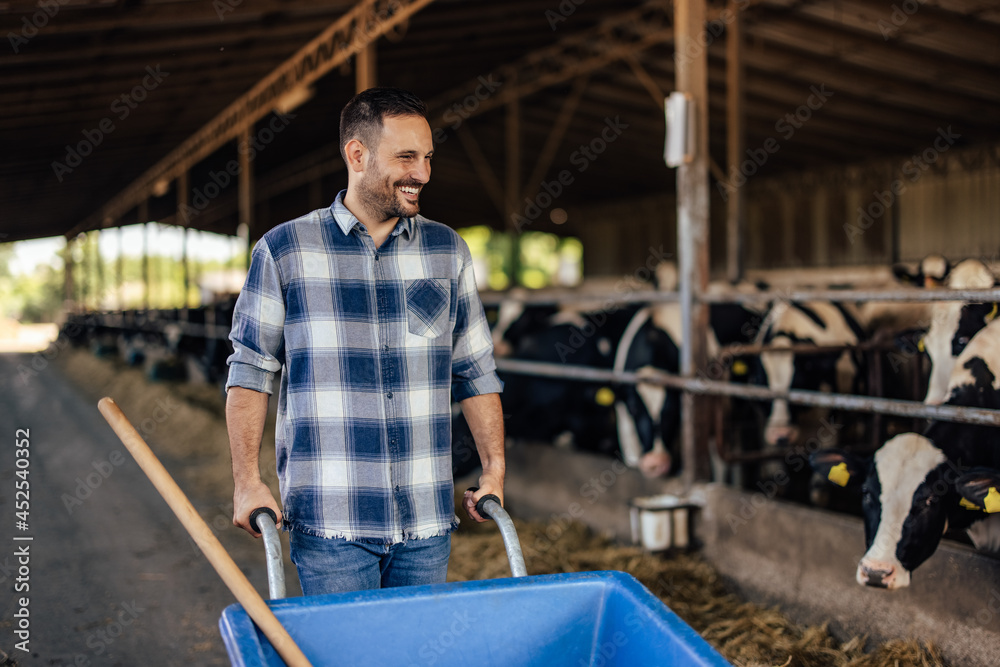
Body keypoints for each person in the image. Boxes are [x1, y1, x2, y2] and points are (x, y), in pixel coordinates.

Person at [224, 87, 505, 595]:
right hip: (332, 521)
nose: (422, 173)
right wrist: (248, 481)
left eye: (427, 158)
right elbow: (251, 368)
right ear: (357, 154)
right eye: (406, 157)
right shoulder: (285, 250)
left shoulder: (448, 250)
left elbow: (475, 369)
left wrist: (494, 469)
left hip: (425, 520)